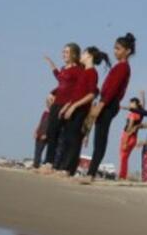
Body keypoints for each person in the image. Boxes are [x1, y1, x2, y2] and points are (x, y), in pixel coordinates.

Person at [86, 33, 136, 181]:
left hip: (109, 103)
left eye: (118, 48)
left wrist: (100, 105)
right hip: (106, 102)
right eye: (114, 48)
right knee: (98, 138)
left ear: (127, 51)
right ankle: (91, 172)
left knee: (100, 138)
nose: (115, 51)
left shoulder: (123, 67)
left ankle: (91, 174)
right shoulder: (119, 66)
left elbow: (113, 89)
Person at [56, 46, 109, 177]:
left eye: (84, 53)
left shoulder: (92, 72)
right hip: (73, 109)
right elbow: (76, 94)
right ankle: (63, 168)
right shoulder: (84, 71)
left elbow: (91, 94)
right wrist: (67, 106)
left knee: (74, 140)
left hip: (81, 111)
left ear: (89, 55)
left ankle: (68, 170)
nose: (81, 55)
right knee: (67, 139)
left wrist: (74, 106)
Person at [39, 43, 82, 171]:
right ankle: (48, 163)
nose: (64, 54)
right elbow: (61, 81)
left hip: (67, 105)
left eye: (67, 52)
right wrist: (52, 93)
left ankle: (62, 166)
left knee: (66, 137)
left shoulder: (78, 70)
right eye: (63, 52)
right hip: (56, 104)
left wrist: (71, 104)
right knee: (52, 133)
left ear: (74, 54)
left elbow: (78, 88)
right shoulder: (64, 69)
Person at [118, 95, 147, 181]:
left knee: (123, 157)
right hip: (134, 137)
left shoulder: (133, 114)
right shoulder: (140, 114)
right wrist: (143, 96)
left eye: (132, 103)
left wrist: (125, 141)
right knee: (125, 157)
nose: (130, 104)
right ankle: (122, 175)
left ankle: (122, 176)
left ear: (136, 104)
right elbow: (143, 107)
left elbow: (129, 127)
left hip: (128, 135)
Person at [32, 102, 50, 169]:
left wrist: (46, 134)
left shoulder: (53, 114)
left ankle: (39, 165)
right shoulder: (45, 113)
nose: (47, 104)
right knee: (37, 150)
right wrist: (36, 131)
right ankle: (35, 165)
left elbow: (51, 126)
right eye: (47, 103)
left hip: (46, 135)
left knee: (41, 150)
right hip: (40, 133)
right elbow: (40, 122)